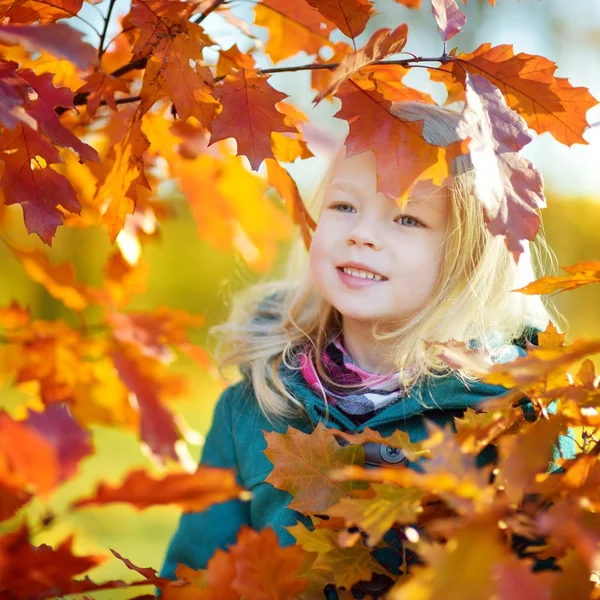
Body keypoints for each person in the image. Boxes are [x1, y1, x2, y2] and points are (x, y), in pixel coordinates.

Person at [157, 101, 576, 598]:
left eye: (406, 218)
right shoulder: (254, 404)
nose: (360, 234)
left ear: (467, 257)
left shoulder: (517, 418)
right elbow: (198, 576)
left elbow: (553, 576)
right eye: (344, 207)